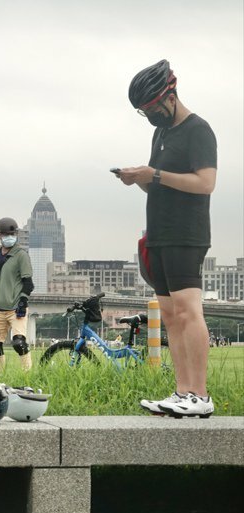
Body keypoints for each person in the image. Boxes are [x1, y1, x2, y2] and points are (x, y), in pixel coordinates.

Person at [120, 59, 217, 418]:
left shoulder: (198, 130)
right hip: (158, 234)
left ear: (171, 95)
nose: (150, 115)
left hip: (186, 234)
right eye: (143, 112)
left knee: (190, 312)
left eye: (152, 107)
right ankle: (182, 391)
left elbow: (206, 182)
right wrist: (140, 178)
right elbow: (158, 182)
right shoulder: (160, 133)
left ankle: (201, 395)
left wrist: (155, 175)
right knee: (172, 317)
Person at [0, 217, 35, 372]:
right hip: (0, 309)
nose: (10, 237)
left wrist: (23, 301)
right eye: (6, 234)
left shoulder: (21, 255)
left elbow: (28, 282)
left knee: (19, 343)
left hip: (16, 309)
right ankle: (0, 375)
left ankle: (27, 374)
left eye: (12, 234)